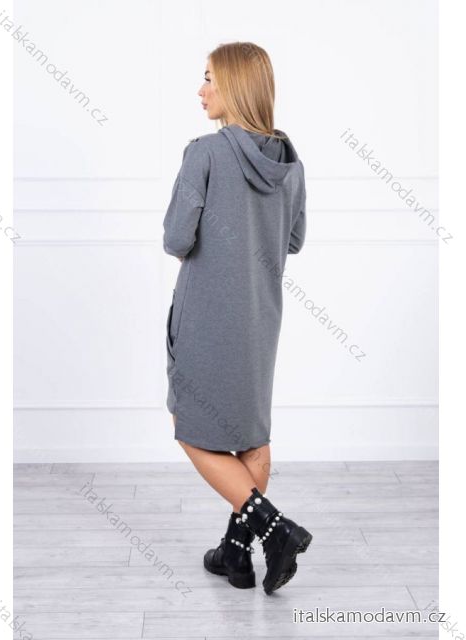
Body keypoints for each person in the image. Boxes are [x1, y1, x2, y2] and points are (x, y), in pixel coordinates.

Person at [162, 42, 312, 594]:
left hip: (206, 316)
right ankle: (235, 554)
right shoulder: (290, 163)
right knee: (251, 438)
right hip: (261, 318)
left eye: (210, 79)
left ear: (235, 86)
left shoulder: (204, 153)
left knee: (189, 426)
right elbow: (293, 240)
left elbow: (176, 238)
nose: (200, 91)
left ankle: (275, 530)